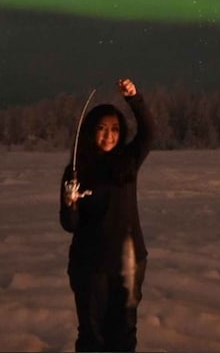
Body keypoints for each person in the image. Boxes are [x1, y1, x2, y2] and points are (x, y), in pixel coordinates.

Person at [60, 78, 156, 352]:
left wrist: (133, 98)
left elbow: (149, 132)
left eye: (114, 129)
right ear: (91, 132)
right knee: (92, 336)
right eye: (102, 129)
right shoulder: (77, 170)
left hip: (128, 262)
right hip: (90, 266)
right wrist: (70, 203)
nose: (108, 135)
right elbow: (70, 224)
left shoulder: (128, 161)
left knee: (124, 333)